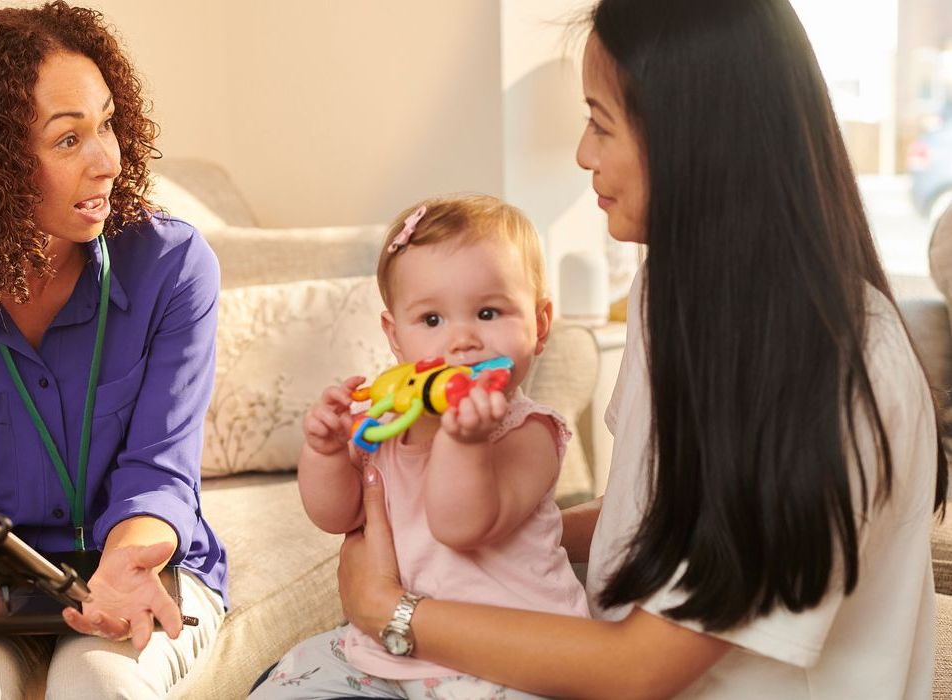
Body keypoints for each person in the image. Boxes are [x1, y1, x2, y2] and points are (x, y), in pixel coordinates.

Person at [333, 0, 950, 697]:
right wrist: (480, 536)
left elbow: (638, 669)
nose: (581, 153)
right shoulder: (677, 285)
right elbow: (657, 517)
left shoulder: (830, 366)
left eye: (599, 123)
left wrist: (392, 608)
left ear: (692, 139)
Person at [0, 3, 226, 698]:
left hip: (142, 566)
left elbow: (160, 468)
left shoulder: (174, 266)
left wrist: (124, 568)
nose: (108, 161)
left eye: (108, 124)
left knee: (98, 684)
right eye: (68, 140)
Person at [251, 195, 589, 699]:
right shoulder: (385, 423)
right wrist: (325, 451)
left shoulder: (529, 432)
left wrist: (461, 439)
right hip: (387, 652)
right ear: (395, 337)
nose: (461, 341)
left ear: (539, 325)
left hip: (508, 658)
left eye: (489, 312)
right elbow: (336, 514)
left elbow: (460, 526)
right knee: (287, 685)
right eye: (432, 321)